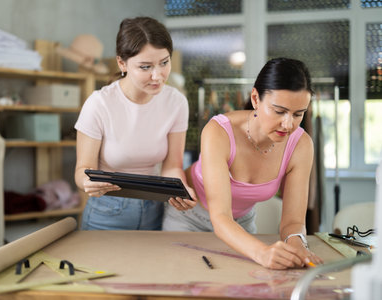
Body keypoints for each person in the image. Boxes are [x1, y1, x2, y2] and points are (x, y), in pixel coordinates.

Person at [163, 57, 323, 269]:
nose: (288, 124)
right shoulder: (218, 132)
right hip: (189, 218)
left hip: (241, 223)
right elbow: (220, 217)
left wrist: (298, 245)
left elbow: (293, 222)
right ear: (255, 98)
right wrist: (263, 252)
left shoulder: (301, 145)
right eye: (279, 111)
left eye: (298, 114)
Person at [74, 16, 196, 231]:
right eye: (145, 66)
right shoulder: (99, 104)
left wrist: (181, 190)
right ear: (122, 63)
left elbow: (172, 166)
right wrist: (87, 182)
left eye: (164, 63)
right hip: (107, 211)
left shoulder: (176, 102)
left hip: (156, 207)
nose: (157, 76)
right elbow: (82, 169)